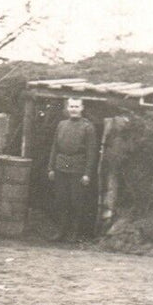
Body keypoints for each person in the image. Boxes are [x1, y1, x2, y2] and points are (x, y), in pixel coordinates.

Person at [46, 97, 98, 242]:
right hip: (61, 166)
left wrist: (87, 173)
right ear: (68, 108)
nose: (74, 109)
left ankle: (74, 233)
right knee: (61, 200)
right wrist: (51, 167)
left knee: (76, 201)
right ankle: (61, 231)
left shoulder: (88, 127)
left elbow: (91, 152)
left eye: (76, 106)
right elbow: (55, 147)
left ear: (82, 108)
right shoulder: (62, 125)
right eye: (71, 106)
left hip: (78, 168)